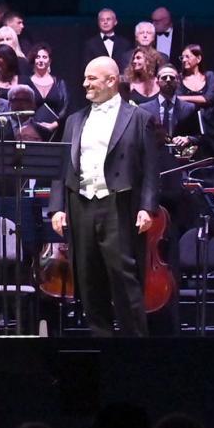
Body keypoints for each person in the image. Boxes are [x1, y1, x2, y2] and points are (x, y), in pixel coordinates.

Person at [47, 57, 159, 337]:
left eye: (92, 79)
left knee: (123, 278)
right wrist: (57, 208)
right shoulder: (74, 119)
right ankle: (102, 348)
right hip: (80, 203)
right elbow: (62, 167)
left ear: (111, 81)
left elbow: (150, 169)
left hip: (117, 204)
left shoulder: (139, 118)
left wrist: (147, 208)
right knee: (87, 279)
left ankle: (135, 350)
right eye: (85, 78)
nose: (85, 84)